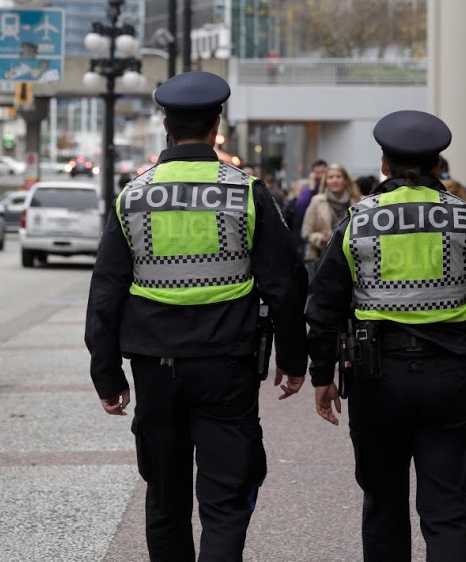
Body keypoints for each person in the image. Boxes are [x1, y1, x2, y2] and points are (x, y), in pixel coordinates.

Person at [85, 70, 309, 561]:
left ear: (166, 125)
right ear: (216, 127)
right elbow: (285, 284)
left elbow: (105, 293)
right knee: (226, 499)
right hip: (226, 365)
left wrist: (106, 375)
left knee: (165, 497)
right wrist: (295, 361)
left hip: (155, 366)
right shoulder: (247, 194)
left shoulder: (134, 196)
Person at [306, 110, 466, 561]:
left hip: (376, 380)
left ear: (384, 165)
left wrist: (322, 373)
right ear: (438, 166)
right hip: (453, 379)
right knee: (447, 511)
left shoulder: (358, 221)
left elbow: (324, 305)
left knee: (383, 507)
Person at [300, 163, 360, 272]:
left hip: (350, 259)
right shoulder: (317, 201)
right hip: (322, 259)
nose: (335, 180)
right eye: (331, 177)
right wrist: (321, 238)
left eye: (338, 176)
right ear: (326, 181)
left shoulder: (356, 202)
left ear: (345, 180)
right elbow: (306, 232)